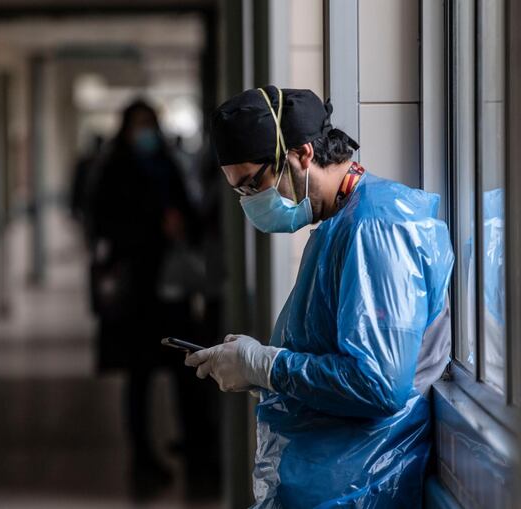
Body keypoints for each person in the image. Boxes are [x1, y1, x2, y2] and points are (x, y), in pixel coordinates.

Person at [185, 86, 454, 507]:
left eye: (254, 183)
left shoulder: (377, 229)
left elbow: (378, 383)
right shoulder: (337, 224)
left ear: (303, 154)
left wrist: (265, 366)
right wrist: (255, 369)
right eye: (239, 192)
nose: (251, 201)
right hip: (327, 479)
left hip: (359, 485)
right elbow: (327, 355)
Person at [85, 99, 215, 499]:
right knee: (138, 377)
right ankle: (143, 454)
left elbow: (194, 216)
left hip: (171, 290)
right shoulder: (113, 170)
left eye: (149, 126)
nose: (145, 135)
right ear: (125, 130)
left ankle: (196, 449)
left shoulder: (169, 166)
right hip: (135, 292)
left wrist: (181, 227)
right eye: (137, 126)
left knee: (185, 371)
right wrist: (151, 228)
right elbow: (101, 224)